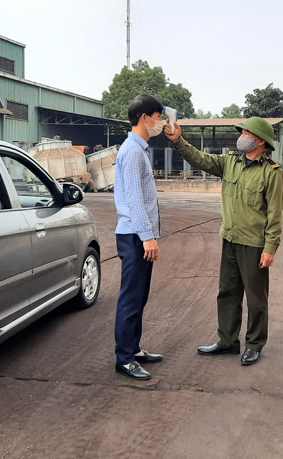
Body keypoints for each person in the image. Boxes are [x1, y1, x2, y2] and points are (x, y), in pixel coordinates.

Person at [165, 117, 283, 365]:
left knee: (256, 299)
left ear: (260, 140)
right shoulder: (230, 162)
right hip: (229, 239)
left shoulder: (271, 173)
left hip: (254, 244)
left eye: (246, 132)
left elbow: (275, 214)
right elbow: (201, 159)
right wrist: (179, 141)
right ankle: (227, 341)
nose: (242, 136)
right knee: (227, 293)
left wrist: (270, 247)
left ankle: (254, 344)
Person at [113, 94, 166, 380]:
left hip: (139, 235)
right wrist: (148, 237)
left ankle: (133, 349)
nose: (160, 122)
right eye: (158, 117)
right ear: (145, 118)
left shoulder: (140, 149)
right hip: (134, 236)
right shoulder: (133, 152)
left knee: (139, 297)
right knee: (131, 299)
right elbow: (134, 198)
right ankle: (124, 358)